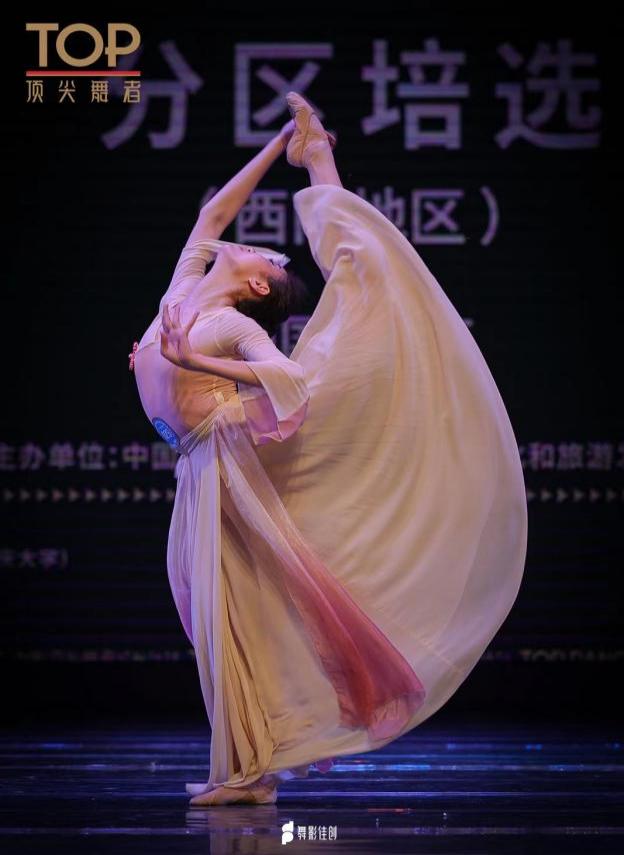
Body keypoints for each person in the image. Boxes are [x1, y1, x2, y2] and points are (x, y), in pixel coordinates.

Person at [131, 92, 528, 806]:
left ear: (257, 285)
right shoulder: (183, 291)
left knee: (236, 613)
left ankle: (245, 772)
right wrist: (278, 142)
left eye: (261, 255)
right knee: (223, 617)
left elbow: (288, 381)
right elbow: (213, 215)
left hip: (225, 467)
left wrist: (196, 361)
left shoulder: (231, 327)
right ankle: (247, 768)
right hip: (196, 469)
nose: (247, 242)